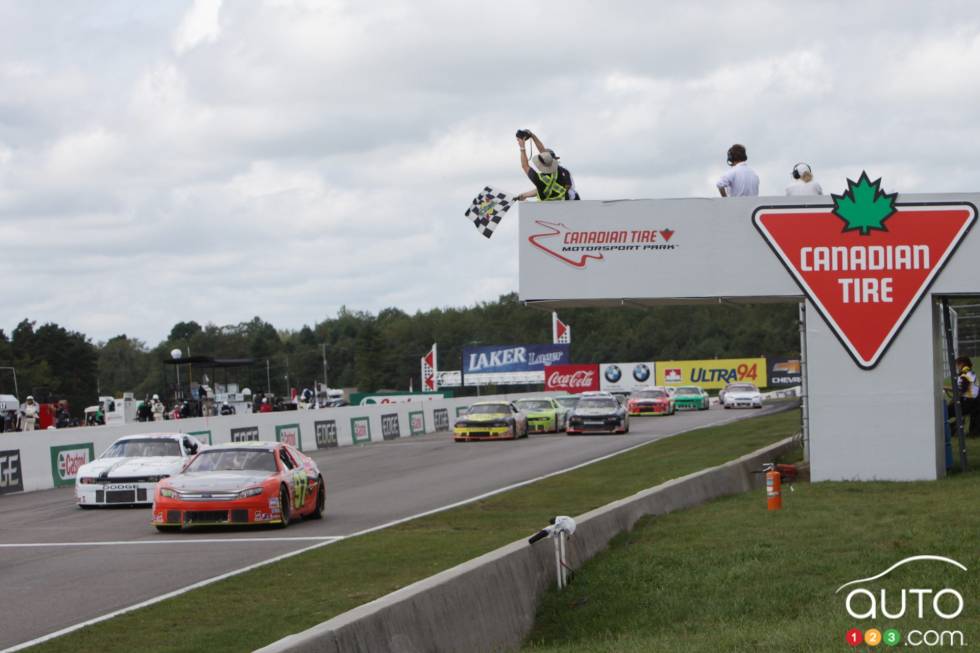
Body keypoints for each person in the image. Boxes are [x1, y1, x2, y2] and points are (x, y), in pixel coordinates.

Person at [516, 130, 579, 201]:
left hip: (546, 209)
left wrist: (522, 147)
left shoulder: (539, 179)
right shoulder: (560, 171)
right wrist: (533, 136)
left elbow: (525, 166)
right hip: (562, 206)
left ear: (540, 164)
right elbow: (543, 153)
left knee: (525, 203)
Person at [948, 356, 980, 436]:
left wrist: (953, 400)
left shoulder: (965, 373)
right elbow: (963, 388)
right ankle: (957, 425)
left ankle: (953, 427)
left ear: (961, 364)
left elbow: (962, 390)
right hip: (974, 401)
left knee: (946, 411)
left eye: (956, 364)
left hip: (970, 402)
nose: (956, 367)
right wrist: (947, 388)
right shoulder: (969, 372)